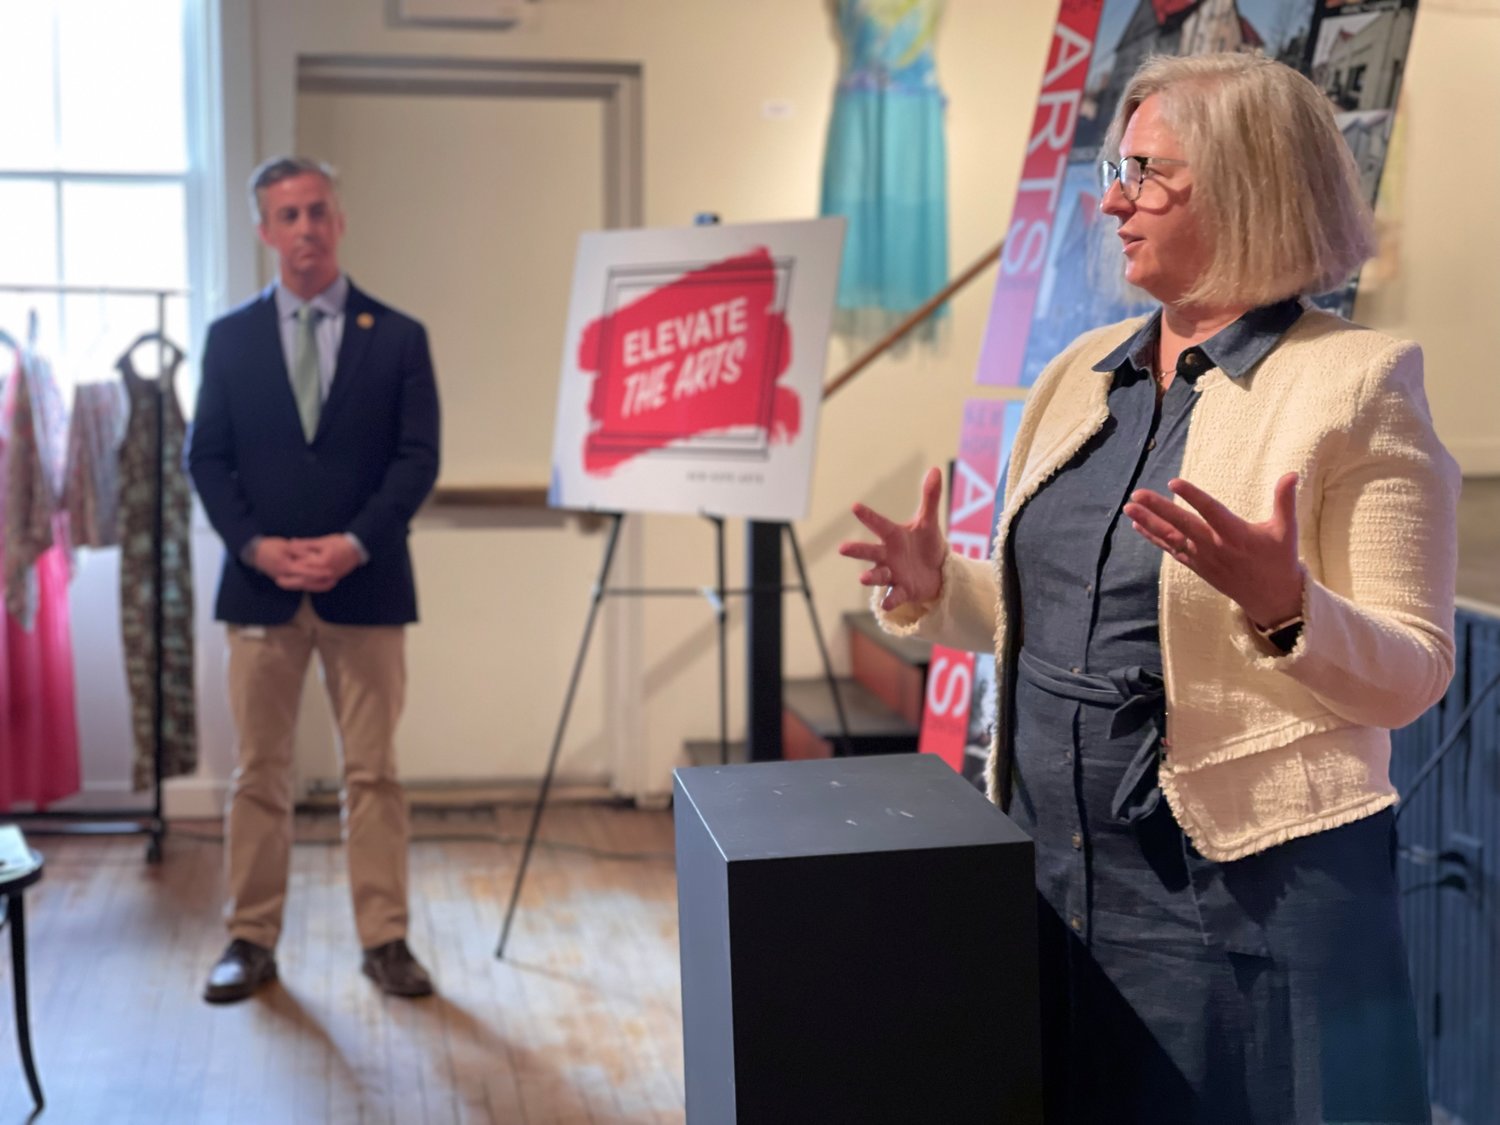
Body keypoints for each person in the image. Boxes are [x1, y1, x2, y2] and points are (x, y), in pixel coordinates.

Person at [841, 54, 1457, 1124]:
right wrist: (945, 590)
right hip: (1057, 875)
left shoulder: (1358, 384)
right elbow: (1086, 618)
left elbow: (1412, 675)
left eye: (1143, 171)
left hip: (1247, 903)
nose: (1109, 198)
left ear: (1249, 186)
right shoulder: (1078, 371)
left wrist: (1288, 609)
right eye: (1112, 167)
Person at [188, 156, 441, 1003]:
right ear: (264, 230)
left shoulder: (399, 336)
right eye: (287, 215)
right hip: (261, 590)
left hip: (366, 589)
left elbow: (417, 458)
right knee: (259, 771)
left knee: (374, 771)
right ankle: (249, 939)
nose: (305, 229)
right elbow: (207, 458)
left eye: (318, 211)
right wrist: (256, 545)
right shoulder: (228, 339)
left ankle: (386, 940)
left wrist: (357, 543)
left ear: (340, 220)